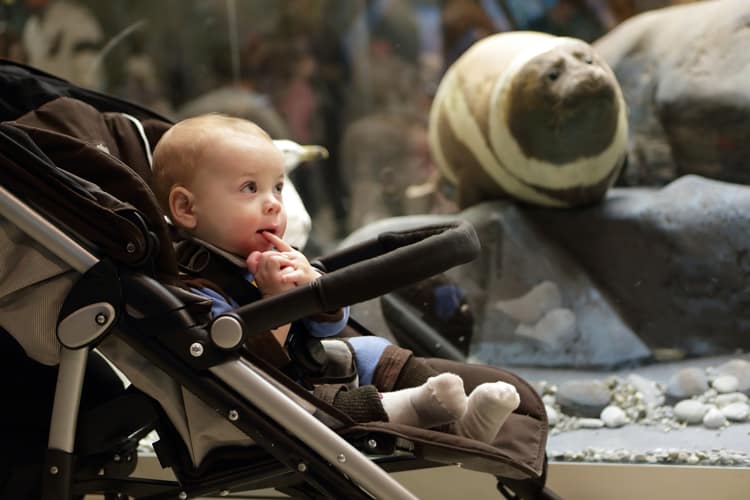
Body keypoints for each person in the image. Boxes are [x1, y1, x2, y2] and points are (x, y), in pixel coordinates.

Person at [151, 114, 520, 442]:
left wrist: (314, 291)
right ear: (186, 208)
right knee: (323, 406)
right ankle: (424, 410)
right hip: (266, 399)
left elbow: (327, 331)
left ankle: (461, 415)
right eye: (250, 188)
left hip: (306, 363)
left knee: (371, 350)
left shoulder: (259, 259)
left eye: (277, 186)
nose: (274, 203)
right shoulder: (194, 285)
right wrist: (279, 301)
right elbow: (245, 365)